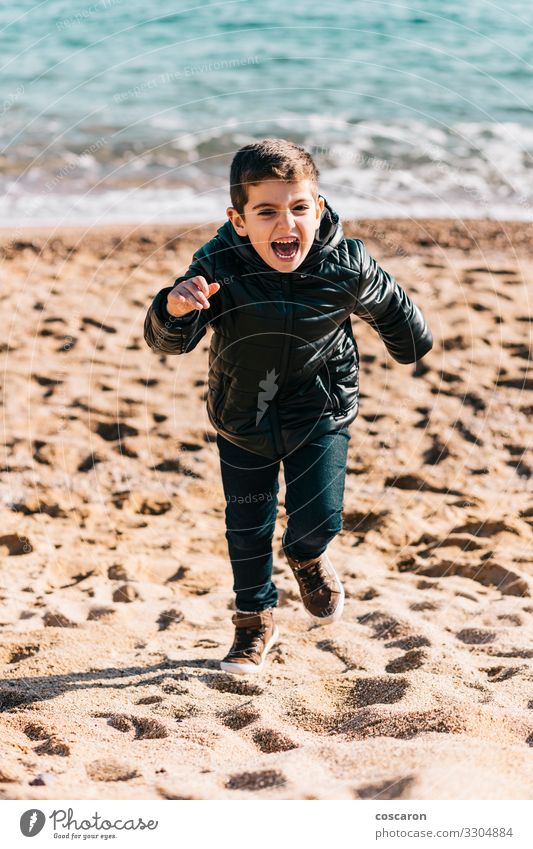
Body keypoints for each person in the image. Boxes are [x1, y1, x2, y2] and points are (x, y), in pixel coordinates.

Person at [144, 138, 433, 675]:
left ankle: (306, 555)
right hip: (241, 413)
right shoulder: (218, 263)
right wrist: (174, 307)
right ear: (238, 219)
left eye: (300, 207)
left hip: (320, 408)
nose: (287, 224)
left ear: (318, 208)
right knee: (247, 523)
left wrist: (403, 337)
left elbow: (404, 325)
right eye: (268, 211)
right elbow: (169, 342)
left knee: (318, 516)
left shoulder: (345, 265)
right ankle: (254, 622)